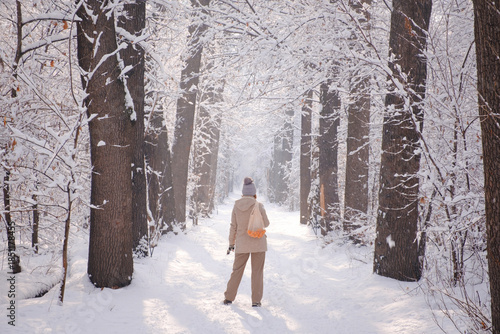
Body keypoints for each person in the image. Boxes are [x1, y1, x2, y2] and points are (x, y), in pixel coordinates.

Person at [223, 177, 270, 307]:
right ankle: (256, 301)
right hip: (258, 243)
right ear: (254, 193)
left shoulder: (236, 206)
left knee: (237, 270)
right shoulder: (258, 205)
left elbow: (233, 226)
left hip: (242, 244)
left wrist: (231, 243)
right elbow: (266, 224)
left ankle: (229, 298)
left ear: (243, 193)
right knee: (257, 272)